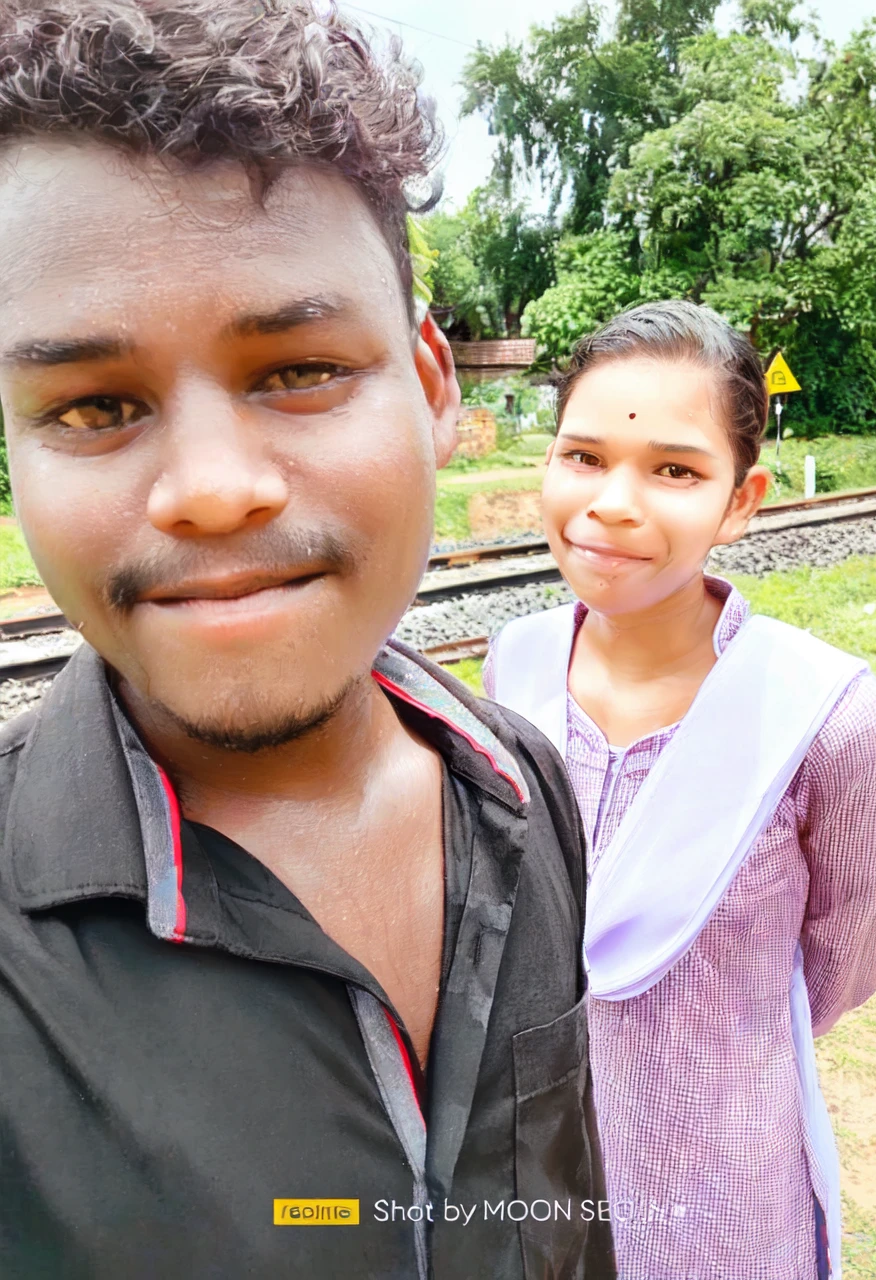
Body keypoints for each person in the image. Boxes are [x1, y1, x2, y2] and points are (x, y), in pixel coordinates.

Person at [0, 4, 616, 1277]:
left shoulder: (524, 785)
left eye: (298, 370)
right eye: (96, 404)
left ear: (433, 386)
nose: (214, 487)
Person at [485, 301, 876, 1280]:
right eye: (583, 456)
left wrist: (705, 1028)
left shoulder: (828, 719)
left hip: (723, 1197)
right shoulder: (513, 666)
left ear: (742, 498)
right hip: (536, 1178)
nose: (613, 502)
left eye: (674, 469)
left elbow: (843, 962)